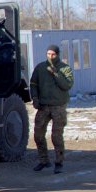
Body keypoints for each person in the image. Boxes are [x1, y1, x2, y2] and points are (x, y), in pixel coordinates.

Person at [29, 44, 74, 173]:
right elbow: (33, 84)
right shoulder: (40, 68)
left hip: (58, 106)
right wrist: (35, 98)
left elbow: (67, 85)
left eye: (53, 54)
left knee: (56, 136)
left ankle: (59, 162)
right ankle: (43, 160)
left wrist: (55, 73)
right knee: (38, 135)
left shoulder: (65, 69)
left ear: (58, 55)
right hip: (43, 106)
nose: (50, 56)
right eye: (48, 54)